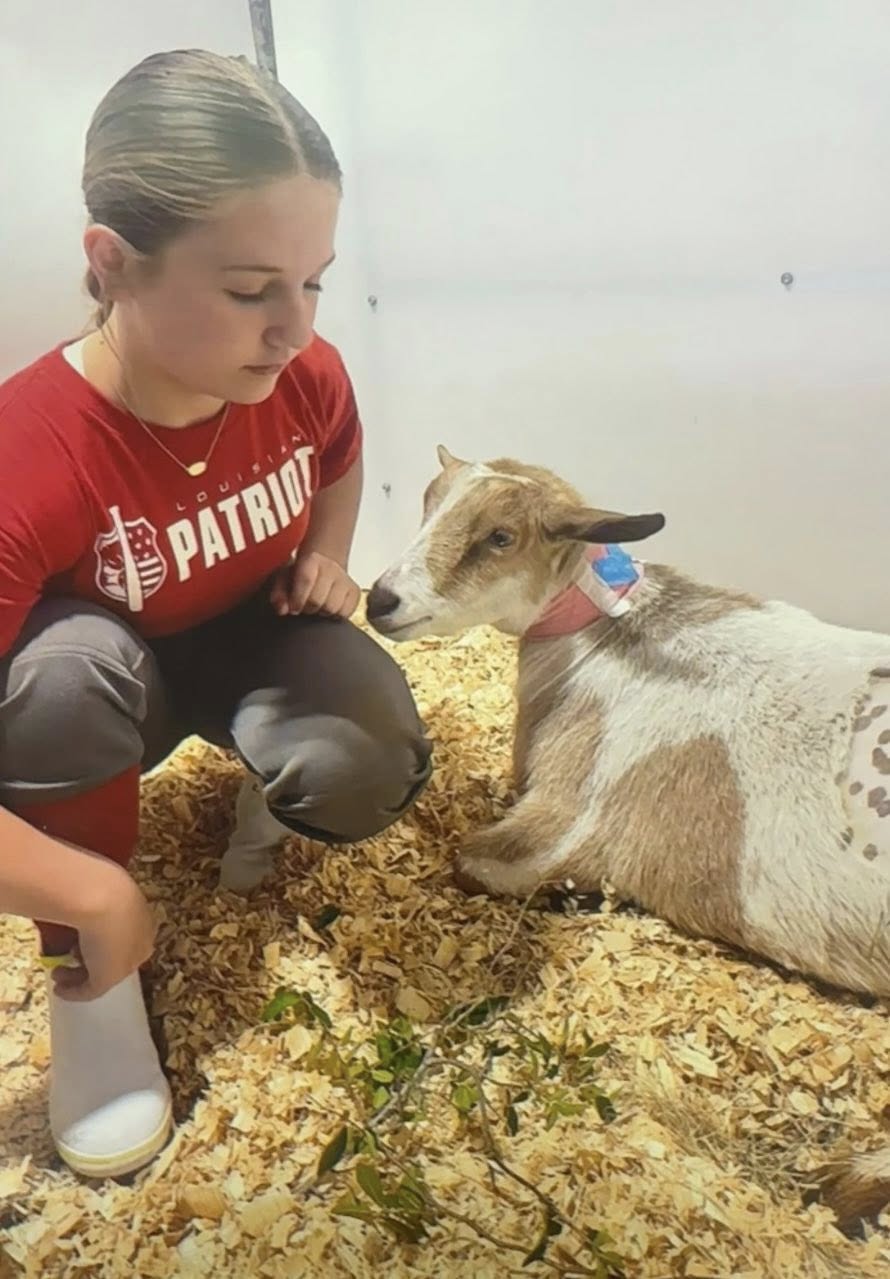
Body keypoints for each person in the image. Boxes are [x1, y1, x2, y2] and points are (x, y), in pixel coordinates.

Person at [0, 49, 432, 1179]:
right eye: (250, 290)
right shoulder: (25, 457)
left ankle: (260, 784)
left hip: (245, 632)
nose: (291, 327)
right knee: (60, 674)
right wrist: (89, 892)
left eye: (314, 282)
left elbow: (337, 451)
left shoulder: (300, 373)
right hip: (105, 690)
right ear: (112, 263)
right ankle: (86, 979)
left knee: (365, 754)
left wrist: (328, 558)